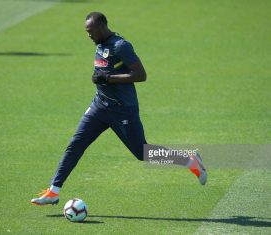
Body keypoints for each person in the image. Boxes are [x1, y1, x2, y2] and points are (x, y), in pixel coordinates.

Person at [31, 12, 207, 206]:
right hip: (99, 106)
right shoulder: (99, 43)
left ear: (101, 27)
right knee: (76, 145)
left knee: (143, 153)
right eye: (86, 32)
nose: (88, 35)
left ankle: (189, 160)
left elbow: (141, 75)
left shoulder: (120, 46)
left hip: (123, 110)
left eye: (90, 31)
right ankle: (53, 191)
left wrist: (109, 79)